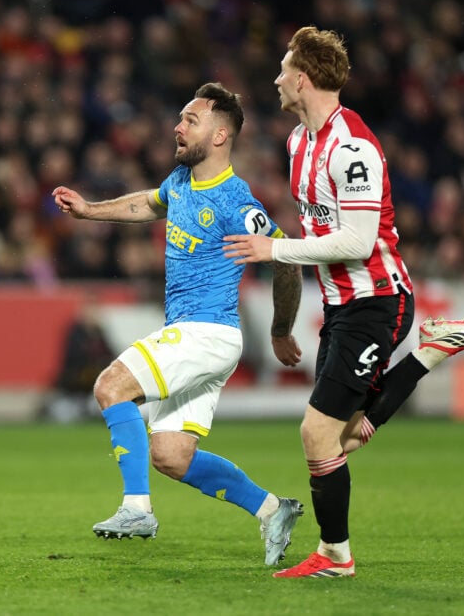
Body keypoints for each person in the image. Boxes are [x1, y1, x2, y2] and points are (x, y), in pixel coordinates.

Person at [223, 27, 464, 578]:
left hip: (379, 301)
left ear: (303, 80)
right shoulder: (298, 142)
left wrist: (273, 249)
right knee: (343, 437)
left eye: (284, 70)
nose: (277, 79)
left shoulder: (353, 148)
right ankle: (429, 354)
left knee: (316, 432)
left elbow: (355, 240)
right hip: (340, 307)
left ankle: (336, 556)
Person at [52, 82, 307, 567]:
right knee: (171, 455)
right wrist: (89, 210)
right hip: (202, 338)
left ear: (219, 135)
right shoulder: (180, 182)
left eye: (190, 119)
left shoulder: (236, 200)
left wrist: (279, 331)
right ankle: (273, 509)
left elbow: (287, 260)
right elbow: (149, 203)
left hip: (206, 331)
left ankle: (136, 510)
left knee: (111, 386)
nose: (177, 125)